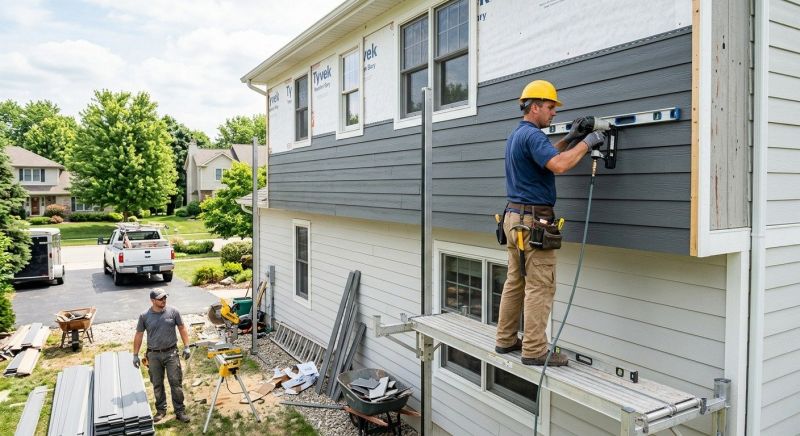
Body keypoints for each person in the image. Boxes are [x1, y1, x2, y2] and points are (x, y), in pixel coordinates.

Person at [494, 80, 605, 366]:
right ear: (535, 107)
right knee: (540, 286)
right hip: (534, 222)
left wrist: (570, 138)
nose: (554, 112)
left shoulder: (520, 135)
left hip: (513, 218)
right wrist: (588, 142)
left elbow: (548, 155)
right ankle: (534, 350)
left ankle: (505, 340)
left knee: (515, 281)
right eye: (550, 107)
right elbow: (558, 165)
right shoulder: (532, 136)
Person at [133, 288, 192, 423]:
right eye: (160, 299)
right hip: (153, 355)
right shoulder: (144, 316)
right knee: (157, 384)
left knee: (175, 383)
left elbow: (182, 328)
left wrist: (187, 346)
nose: (163, 300)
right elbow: (139, 334)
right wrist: (135, 355)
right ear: (153, 300)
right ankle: (161, 410)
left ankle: (180, 411)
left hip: (171, 353)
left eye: (165, 297)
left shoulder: (173, 312)